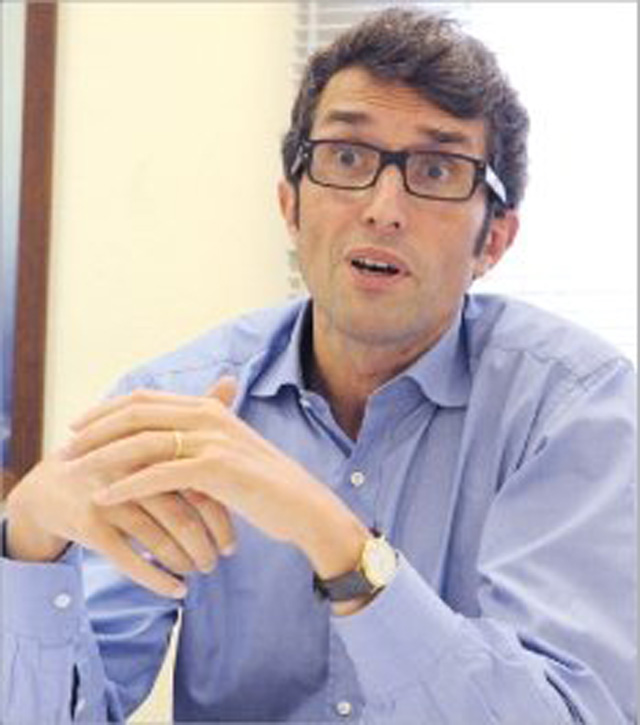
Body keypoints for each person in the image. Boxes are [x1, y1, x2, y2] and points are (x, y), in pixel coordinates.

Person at [2, 8, 636, 724]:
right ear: (290, 208)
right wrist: (27, 547)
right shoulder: (182, 405)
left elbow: (571, 713)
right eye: (347, 158)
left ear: (493, 240)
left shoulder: (572, 410)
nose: (383, 208)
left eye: (436, 170)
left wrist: (339, 545)